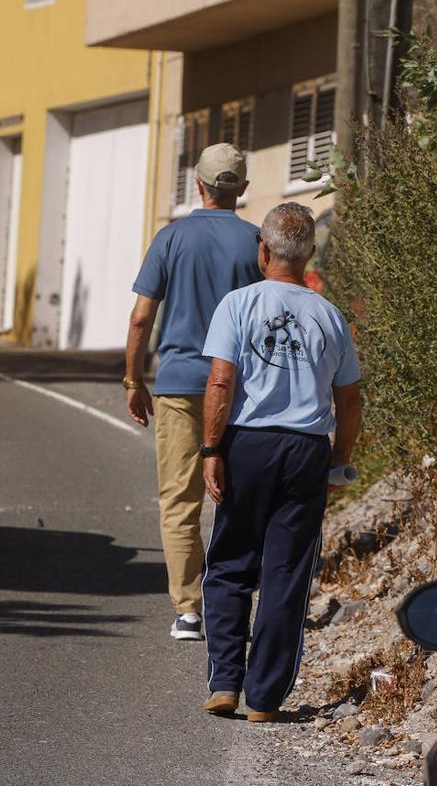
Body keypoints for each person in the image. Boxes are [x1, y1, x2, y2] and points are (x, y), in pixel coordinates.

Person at [198, 202, 362, 721]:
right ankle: (264, 697)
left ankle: (225, 681)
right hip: (306, 449)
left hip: (248, 443)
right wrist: (338, 461)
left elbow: (221, 381)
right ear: (310, 253)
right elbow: (350, 399)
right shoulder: (329, 315)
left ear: (263, 250)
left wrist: (211, 449)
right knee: (285, 572)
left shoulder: (238, 304)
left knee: (229, 564)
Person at [124, 143, 262, 641]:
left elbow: (142, 316)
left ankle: (188, 610)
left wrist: (134, 379)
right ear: (242, 189)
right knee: (237, 495)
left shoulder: (171, 238)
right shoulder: (257, 241)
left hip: (180, 384)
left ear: (198, 186)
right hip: (241, 388)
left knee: (179, 499)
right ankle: (235, 601)